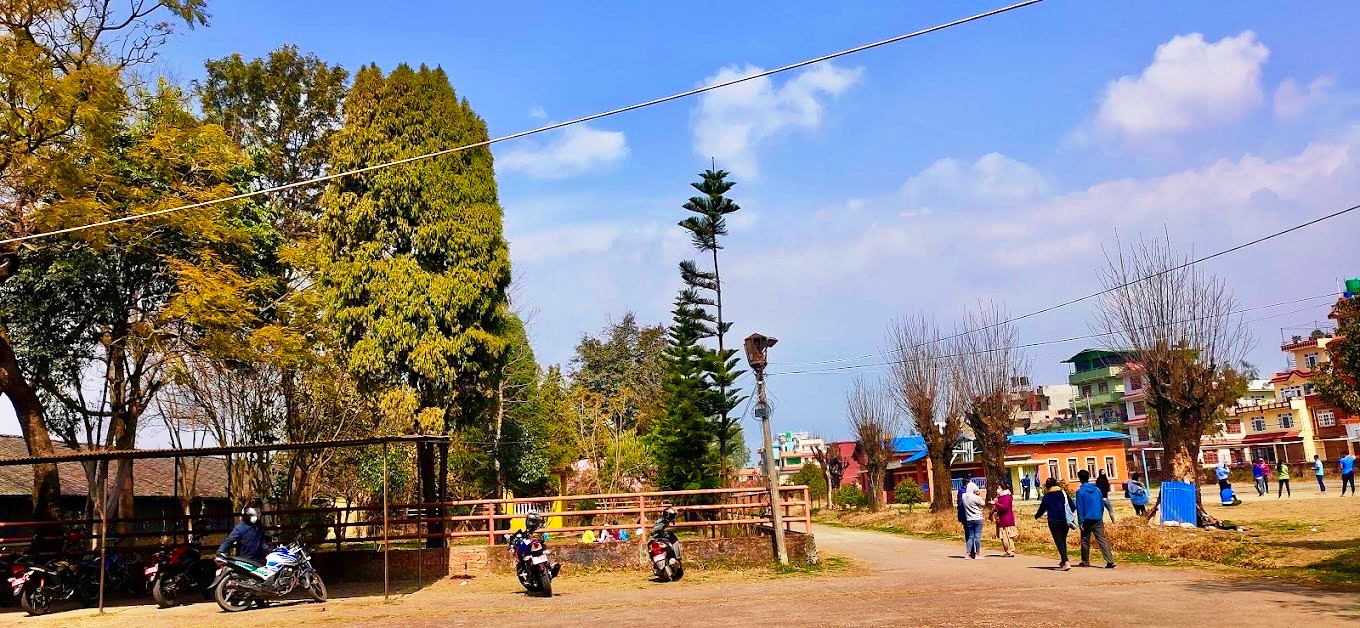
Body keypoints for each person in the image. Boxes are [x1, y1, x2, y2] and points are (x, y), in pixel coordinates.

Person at [1074, 470, 1115, 569]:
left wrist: (1080, 521)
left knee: (1085, 540)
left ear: (1080, 479)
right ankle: (1109, 560)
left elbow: (1080, 508)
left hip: (1086, 519)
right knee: (1102, 539)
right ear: (1088, 477)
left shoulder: (1080, 492)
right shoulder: (1097, 490)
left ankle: (1085, 561)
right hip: (1097, 518)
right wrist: (1100, 514)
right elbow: (1101, 504)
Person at [1034, 477, 1074, 571]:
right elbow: (1072, 506)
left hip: (1054, 520)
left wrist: (1037, 516)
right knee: (1062, 540)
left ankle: (1066, 562)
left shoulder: (1047, 496)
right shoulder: (1063, 493)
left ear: (1047, 486)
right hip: (1065, 520)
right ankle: (1063, 561)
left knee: (1059, 541)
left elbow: (1042, 509)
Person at [992, 481, 1017, 557]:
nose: (997, 490)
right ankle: (1007, 551)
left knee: (1007, 536)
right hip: (1001, 519)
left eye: (999, 488)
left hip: (1006, 519)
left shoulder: (1006, 497)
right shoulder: (1000, 497)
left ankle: (1010, 551)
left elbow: (1005, 507)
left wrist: (996, 503)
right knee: (1003, 536)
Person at [961, 482, 985, 560]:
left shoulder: (964, 496)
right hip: (978, 518)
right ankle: (977, 554)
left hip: (969, 519)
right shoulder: (975, 497)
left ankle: (968, 554)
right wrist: (978, 495)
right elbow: (983, 503)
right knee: (977, 537)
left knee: (971, 537)